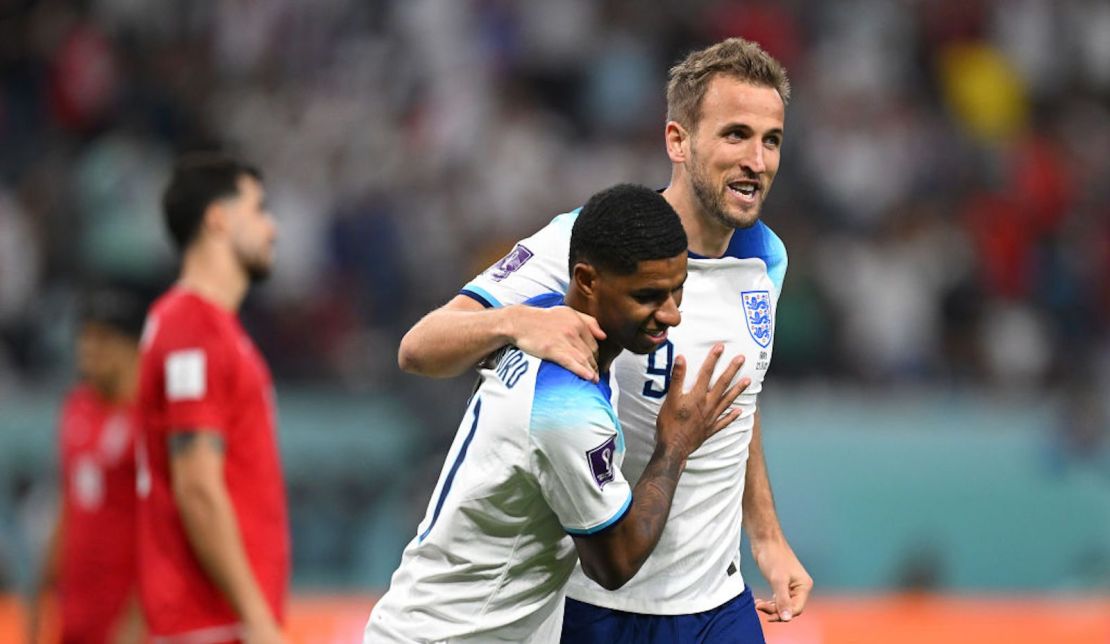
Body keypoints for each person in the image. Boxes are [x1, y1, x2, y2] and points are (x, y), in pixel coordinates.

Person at [398, 38, 812, 642]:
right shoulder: (588, 244)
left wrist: (767, 536)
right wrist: (514, 321)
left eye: (770, 139)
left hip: (719, 607)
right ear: (678, 140)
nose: (757, 160)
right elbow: (421, 347)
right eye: (735, 135)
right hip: (596, 602)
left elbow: (736, 398)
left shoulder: (766, 259)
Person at [365, 184, 749, 643]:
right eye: (648, 295)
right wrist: (675, 445)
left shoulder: (544, 318)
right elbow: (615, 562)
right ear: (587, 281)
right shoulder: (567, 407)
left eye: (677, 291)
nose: (671, 314)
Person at [134, 153, 288, 643]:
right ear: (217, 218)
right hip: (210, 623)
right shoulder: (191, 328)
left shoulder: (206, 328)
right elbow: (197, 487)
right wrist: (256, 617)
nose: (274, 228)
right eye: (259, 209)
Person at [31, 288, 146, 644]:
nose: (88, 350)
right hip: (76, 611)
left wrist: (139, 618)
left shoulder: (151, 420)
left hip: (124, 616)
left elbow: (164, 528)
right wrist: (40, 595)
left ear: (132, 347)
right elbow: (68, 504)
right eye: (85, 337)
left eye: (103, 338)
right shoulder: (76, 408)